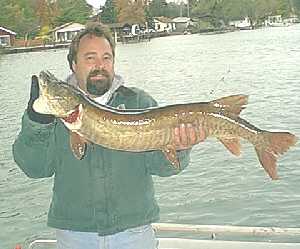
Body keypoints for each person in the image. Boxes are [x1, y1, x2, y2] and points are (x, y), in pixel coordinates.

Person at [12, 22, 205, 249]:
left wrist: (180, 148)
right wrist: (37, 122)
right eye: (90, 58)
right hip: (75, 235)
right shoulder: (54, 116)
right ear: (74, 64)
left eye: (107, 58)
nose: (100, 65)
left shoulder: (139, 103)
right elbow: (34, 169)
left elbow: (163, 167)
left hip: (134, 233)